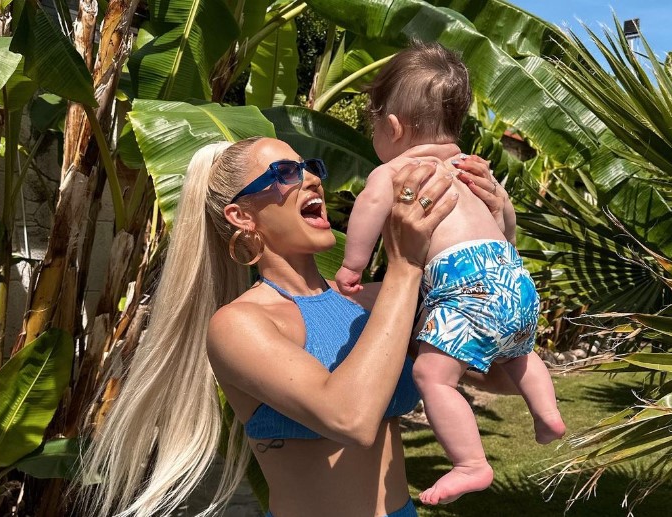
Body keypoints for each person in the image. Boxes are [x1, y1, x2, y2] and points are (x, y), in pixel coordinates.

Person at [78, 133, 517, 517]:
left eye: (309, 166)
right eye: (284, 173)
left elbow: (500, 375)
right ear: (242, 216)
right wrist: (405, 266)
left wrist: (498, 236)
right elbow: (350, 418)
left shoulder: (376, 302)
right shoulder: (240, 325)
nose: (311, 178)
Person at [335, 42, 566, 506]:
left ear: (392, 126)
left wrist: (351, 265)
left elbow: (370, 208)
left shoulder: (397, 171)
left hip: (467, 285)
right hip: (513, 279)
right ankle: (547, 414)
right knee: (519, 356)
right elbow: (505, 220)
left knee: (432, 376)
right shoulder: (471, 170)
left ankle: (471, 464)